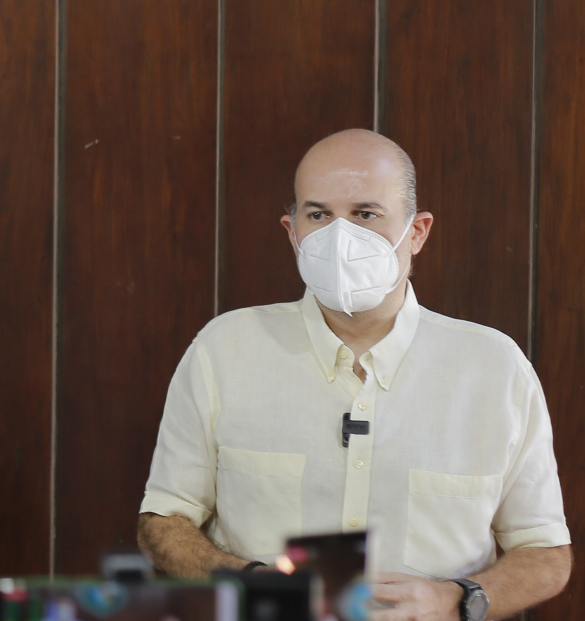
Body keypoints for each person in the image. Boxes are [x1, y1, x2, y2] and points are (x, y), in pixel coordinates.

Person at [137, 129, 570, 621]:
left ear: (419, 231)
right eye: (318, 215)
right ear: (292, 232)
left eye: (366, 214)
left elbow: (545, 554)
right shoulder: (225, 349)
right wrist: (252, 584)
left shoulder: (494, 367)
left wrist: (454, 600)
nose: (339, 237)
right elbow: (164, 520)